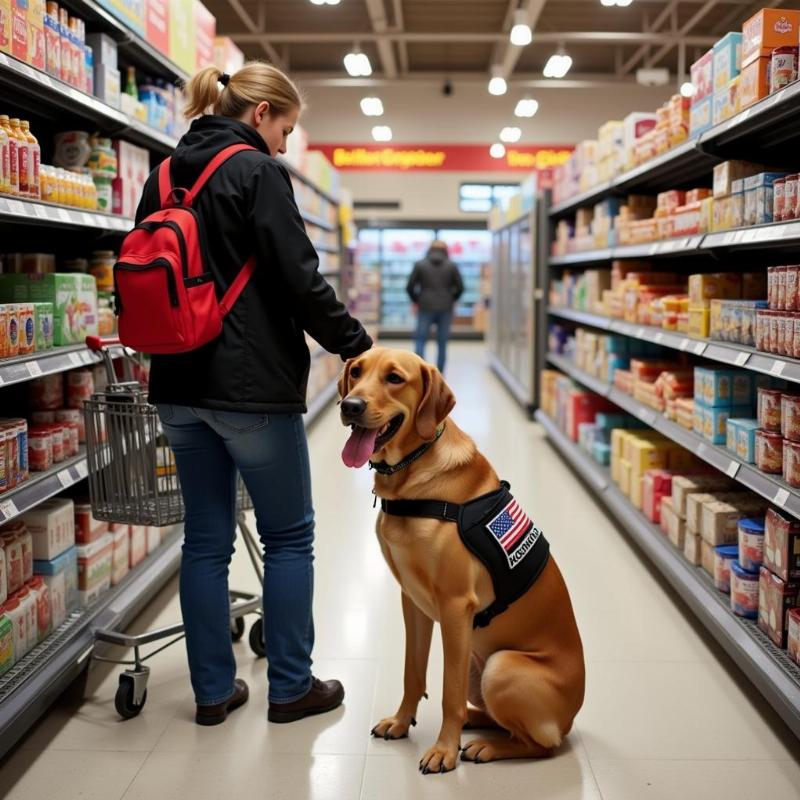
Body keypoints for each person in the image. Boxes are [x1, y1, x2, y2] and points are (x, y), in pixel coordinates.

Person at [134, 62, 373, 726]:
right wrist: (355, 341)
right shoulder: (259, 172)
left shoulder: (160, 175)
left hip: (176, 383)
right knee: (290, 536)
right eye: (287, 129)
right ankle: (291, 686)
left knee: (205, 541)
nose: (286, 145)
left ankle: (213, 693)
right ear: (261, 113)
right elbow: (300, 279)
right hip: (250, 388)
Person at [407, 240, 464, 373]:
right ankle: (440, 373)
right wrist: (451, 299)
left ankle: (419, 371)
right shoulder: (452, 265)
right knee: (442, 342)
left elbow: (410, 287)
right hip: (445, 308)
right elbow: (460, 288)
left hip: (425, 306)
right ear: (445, 250)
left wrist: (417, 300)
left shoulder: (420, 264)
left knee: (421, 339)